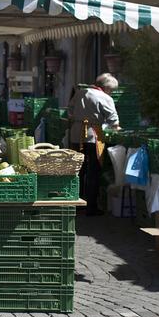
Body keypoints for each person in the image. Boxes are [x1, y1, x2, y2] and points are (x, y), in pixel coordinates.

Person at [69, 73, 121, 216]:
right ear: (106, 88)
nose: (111, 93)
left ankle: (75, 203)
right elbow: (114, 121)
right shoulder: (106, 98)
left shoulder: (80, 93)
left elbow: (70, 111)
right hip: (94, 135)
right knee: (94, 170)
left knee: (78, 169)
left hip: (76, 134)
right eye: (111, 90)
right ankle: (91, 207)